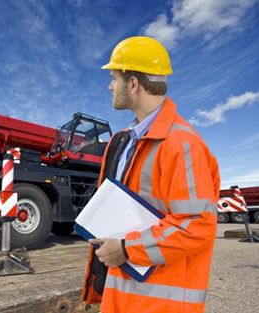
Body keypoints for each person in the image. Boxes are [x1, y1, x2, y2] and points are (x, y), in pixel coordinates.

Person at [81, 36, 220, 313]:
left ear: (133, 84)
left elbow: (196, 226)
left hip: (159, 304)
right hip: (123, 294)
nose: (110, 86)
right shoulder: (124, 141)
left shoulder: (181, 144)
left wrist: (127, 249)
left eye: (114, 77)